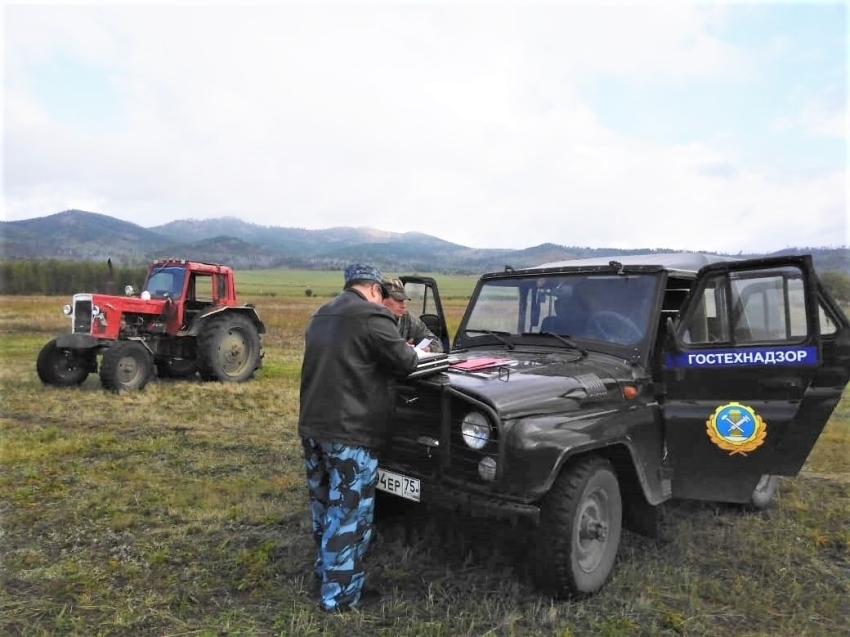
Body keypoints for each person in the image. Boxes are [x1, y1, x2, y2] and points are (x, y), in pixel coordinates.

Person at [298, 263, 419, 612]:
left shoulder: (321, 314)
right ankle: (340, 596)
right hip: (350, 432)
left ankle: (325, 574)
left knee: (323, 506)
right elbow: (407, 362)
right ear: (375, 289)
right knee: (350, 513)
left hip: (312, 427)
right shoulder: (372, 316)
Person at [381, 278, 444, 353]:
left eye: (403, 300)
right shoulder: (368, 320)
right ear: (382, 299)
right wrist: (399, 349)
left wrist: (428, 348)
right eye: (398, 300)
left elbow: (436, 343)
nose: (403, 306)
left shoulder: (407, 318)